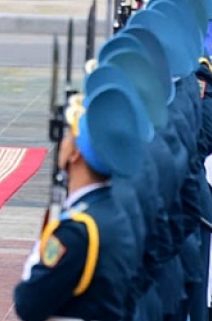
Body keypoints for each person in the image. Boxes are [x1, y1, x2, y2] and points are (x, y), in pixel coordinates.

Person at [14, 81, 146, 321]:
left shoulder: (77, 230)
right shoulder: (116, 210)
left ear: (76, 154)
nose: (62, 142)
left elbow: (28, 302)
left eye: (68, 135)